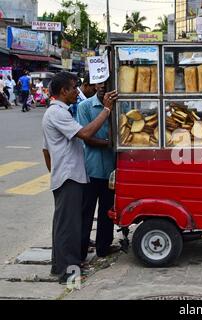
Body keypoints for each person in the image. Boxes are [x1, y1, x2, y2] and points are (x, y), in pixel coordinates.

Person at [42, 72, 118, 284]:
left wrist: (54, 171)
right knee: (70, 226)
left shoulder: (56, 112)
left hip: (66, 175)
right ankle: (68, 273)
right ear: (63, 91)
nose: (78, 92)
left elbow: (45, 150)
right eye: (74, 88)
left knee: (64, 224)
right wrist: (107, 110)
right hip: (69, 177)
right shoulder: (58, 113)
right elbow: (86, 134)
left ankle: (59, 265)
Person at [76, 81, 117, 262]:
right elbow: (87, 138)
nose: (102, 88)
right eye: (99, 85)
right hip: (90, 169)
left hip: (111, 170)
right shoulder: (84, 107)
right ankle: (80, 251)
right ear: (93, 86)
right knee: (86, 212)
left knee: (107, 211)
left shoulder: (119, 105)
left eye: (106, 85)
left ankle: (103, 248)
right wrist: (112, 144)